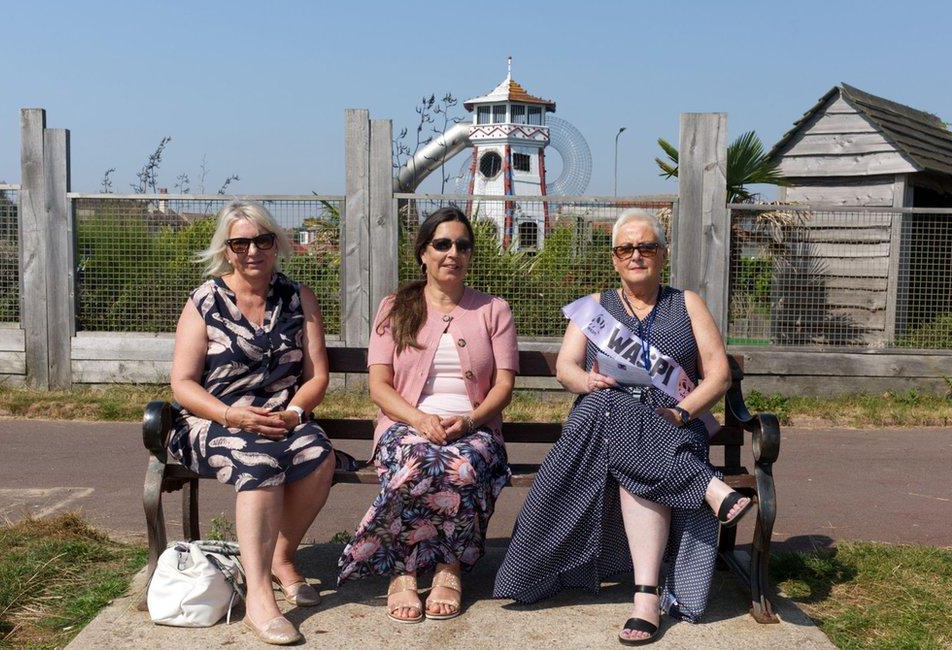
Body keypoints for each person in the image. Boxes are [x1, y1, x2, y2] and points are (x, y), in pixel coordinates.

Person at [493, 208, 752, 645]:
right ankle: (706, 492)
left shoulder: (687, 303)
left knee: (630, 436)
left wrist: (683, 412)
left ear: (662, 254)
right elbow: (567, 368)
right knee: (615, 407)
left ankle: (646, 599)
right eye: (626, 248)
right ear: (614, 258)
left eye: (646, 246)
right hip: (606, 421)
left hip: (671, 424)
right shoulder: (595, 307)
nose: (636, 255)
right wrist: (587, 380)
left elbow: (719, 375)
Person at [338, 206, 518, 624]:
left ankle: (445, 567)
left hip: (474, 429)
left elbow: (504, 387)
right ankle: (404, 570)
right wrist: (419, 420)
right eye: (442, 244)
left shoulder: (494, 310)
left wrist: (470, 422)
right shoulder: (395, 306)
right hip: (405, 426)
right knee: (420, 458)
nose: (452, 252)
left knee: (463, 464)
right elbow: (379, 386)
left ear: (471, 254)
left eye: (462, 245)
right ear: (423, 252)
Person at [168, 201, 335, 645]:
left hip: (282, 416)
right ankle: (259, 599)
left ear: (277, 243)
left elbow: (317, 375)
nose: (252, 251)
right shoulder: (204, 301)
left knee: (319, 455)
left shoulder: (298, 297)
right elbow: (182, 383)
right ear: (227, 249)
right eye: (240, 242)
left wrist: (294, 413)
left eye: (262, 240)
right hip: (214, 418)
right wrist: (230, 414)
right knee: (258, 461)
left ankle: (281, 558)